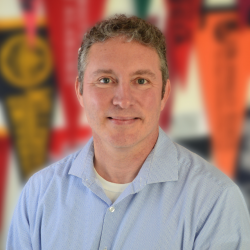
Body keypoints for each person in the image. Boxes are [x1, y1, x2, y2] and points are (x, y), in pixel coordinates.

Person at [7, 15, 250, 250]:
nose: (123, 101)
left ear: (164, 93)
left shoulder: (215, 201)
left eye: (141, 81)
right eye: (105, 80)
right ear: (80, 91)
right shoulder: (38, 195)